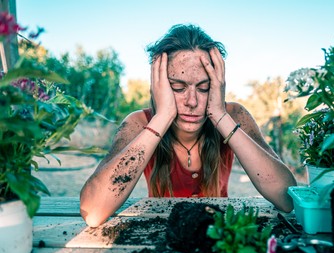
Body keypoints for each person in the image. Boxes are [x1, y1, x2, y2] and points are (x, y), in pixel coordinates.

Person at [80, 24, 296, 227]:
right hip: (160, 235)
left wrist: (220, 116)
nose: (192, 101)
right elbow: (93, 211)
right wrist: (162, 116)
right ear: (159, 86)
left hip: (218, 235)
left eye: (204, 88)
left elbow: (286, 197)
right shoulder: (139, 123)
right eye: (177, 87)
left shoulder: (234, 115)